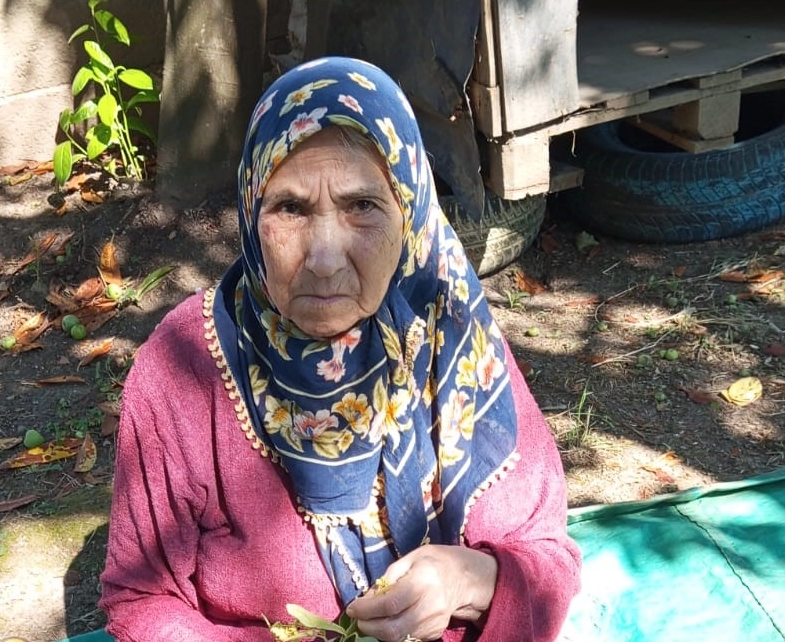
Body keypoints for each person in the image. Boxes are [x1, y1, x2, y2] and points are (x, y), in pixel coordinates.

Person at [99, 56, 581, 642]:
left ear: (410, 214)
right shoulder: (184, 367)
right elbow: (141, 600)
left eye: (362, 207)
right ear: (251, 214)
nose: (324, 259)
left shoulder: (454, 334)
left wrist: (470, 580)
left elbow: (546, 560)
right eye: (291, 208)